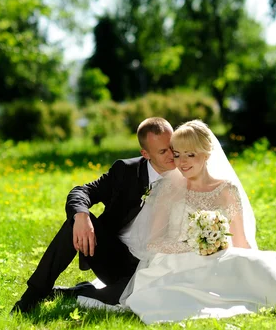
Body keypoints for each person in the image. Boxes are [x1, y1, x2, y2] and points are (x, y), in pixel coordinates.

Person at [76, 120, 276, 324]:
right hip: (178, 259)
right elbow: (155, 242)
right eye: (177, 154)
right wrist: (191, 245)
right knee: (165, 292)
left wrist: (220, 246)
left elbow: (241, 241)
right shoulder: (168, 189)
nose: (181, 162)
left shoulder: (226, 189)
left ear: (206, 154)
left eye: (189, 154)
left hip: (221, 255)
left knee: (253, 265)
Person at [12, 117, 175, 314]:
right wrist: (81, 215)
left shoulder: (187, 174)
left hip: (152, 265)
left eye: (172, 146)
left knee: (117, 301)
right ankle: (34, 294)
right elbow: (82, 191)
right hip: (114, 256)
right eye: (163, 151)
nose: (173, 155)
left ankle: (78, 291)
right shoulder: (125, 171)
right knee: (75, 222)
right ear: (145, 153)